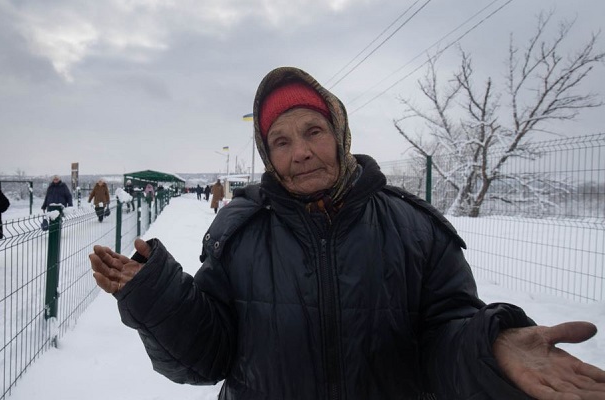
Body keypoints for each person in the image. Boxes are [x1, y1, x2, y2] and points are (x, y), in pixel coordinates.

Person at [88, 67, 605, 399]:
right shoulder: (239, 233)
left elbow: (444, 338)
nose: (301, 151)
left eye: (313, 131)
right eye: (281, 140)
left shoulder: (416, 229)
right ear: (270, 155)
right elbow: (207, 358)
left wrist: (489, 347)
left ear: (339, 134)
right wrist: (157, 296)